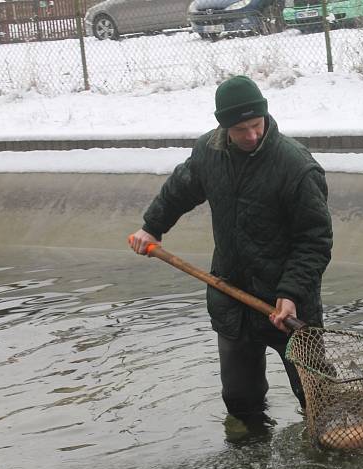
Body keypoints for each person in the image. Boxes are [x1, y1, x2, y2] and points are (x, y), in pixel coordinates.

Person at [128, 75, 333, 426]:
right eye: (241, 129)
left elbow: (315, 239)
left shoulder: (295, 166)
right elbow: (181, 188)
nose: (252, 135)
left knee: (317, 397)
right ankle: (251, 467)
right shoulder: (209, 152)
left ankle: (325, 463)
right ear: (223, 127)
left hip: (288, 305)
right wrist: (152, 227)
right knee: (240, 401)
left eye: (256, 125)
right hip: (232, 295)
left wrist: (291, 293)